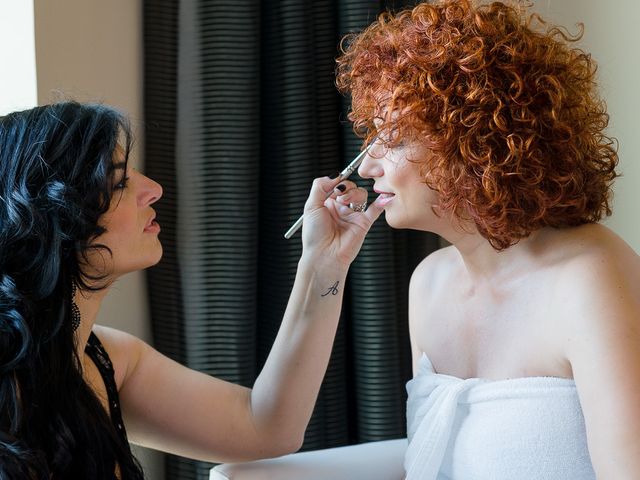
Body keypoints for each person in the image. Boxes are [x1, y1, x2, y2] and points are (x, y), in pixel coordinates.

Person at [336, 0, 640, 478]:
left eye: (391, 140)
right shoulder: (428, 283)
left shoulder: (589, 276)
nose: (369, 167)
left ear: (474, 143)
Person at [0, 101, 384, 479]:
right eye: (118, 180)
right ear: (49, 212)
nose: (153, 189)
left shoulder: (110, 361)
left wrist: (323, 264)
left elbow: (267, 427)